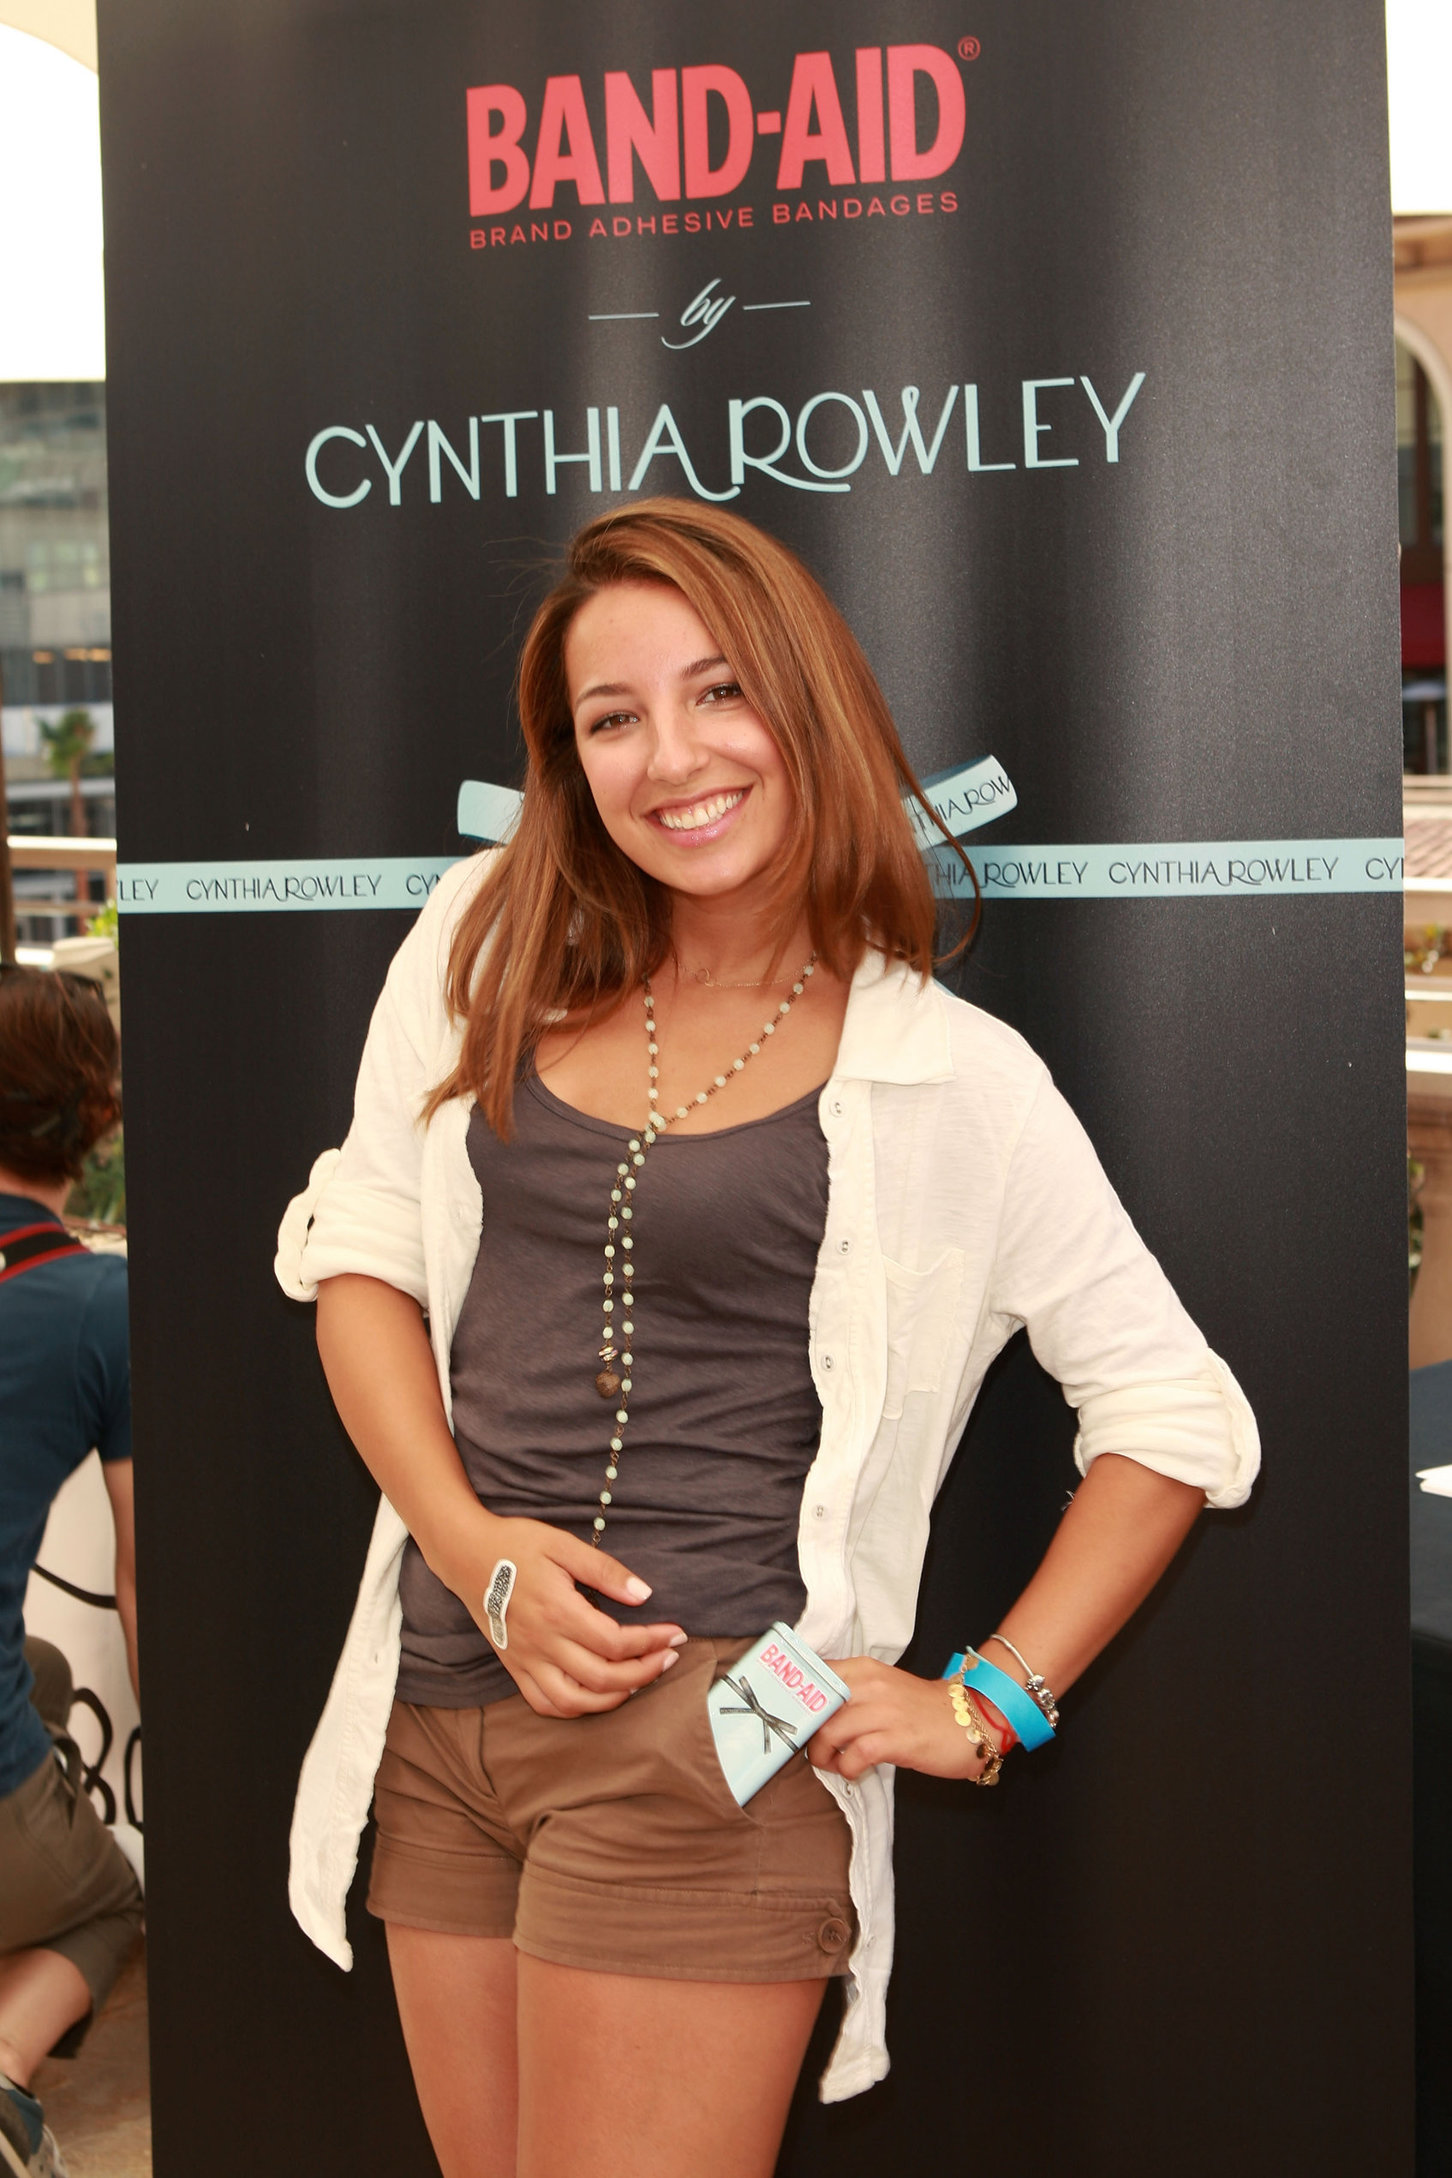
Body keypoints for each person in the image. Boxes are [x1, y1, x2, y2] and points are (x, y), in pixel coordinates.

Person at [275, 499, 1258, 2178]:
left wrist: (984, 1703)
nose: (670, 754)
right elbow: (358, 1253)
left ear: (807, 704)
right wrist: (474, 1549)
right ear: (567, 757)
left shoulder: (947, 1073)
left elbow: (1174, 1411)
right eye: (611, 717)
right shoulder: (481, 938)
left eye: (718, 690)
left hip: (711, 1745)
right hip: (439, 1714)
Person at [0, 965, 141, 2178]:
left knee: (37, 1668)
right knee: (105, 1905)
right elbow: (148, 1590)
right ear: (92, 1116)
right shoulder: (97, 1304)